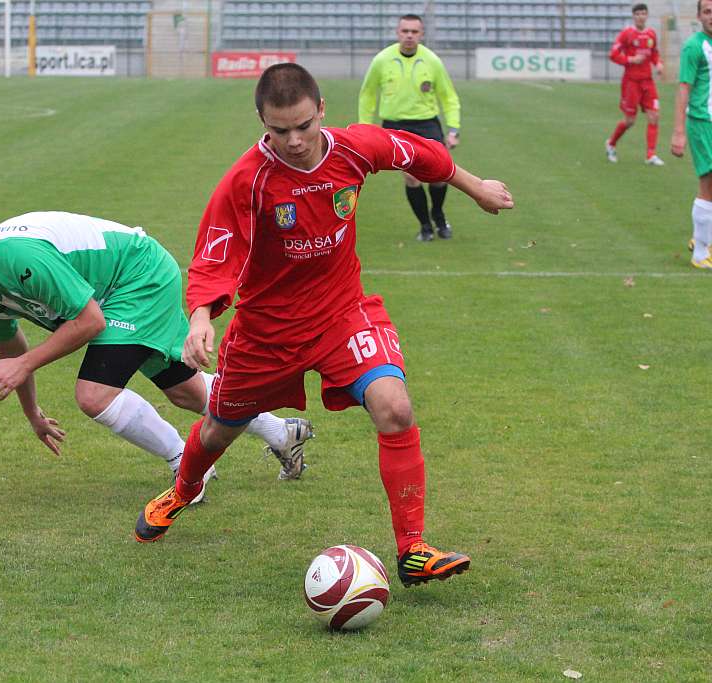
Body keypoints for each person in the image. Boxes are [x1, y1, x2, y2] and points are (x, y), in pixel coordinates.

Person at [134, 64, 514, 588]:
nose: (293, 141)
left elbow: (418, 152)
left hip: (342, 311)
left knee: (395, 407)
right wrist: (200, 317)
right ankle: (182, 489)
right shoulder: (248, 180)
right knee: (222, 428)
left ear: (322, 111)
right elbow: (214, 255)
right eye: (278, 130)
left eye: (304, 126)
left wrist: (475, 187)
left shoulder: (354, 148)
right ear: (263, 123)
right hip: (267, 331)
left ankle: (414, 549)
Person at [0, 211, 315, 498]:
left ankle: (189, 468)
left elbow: (89, 322)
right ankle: (283, 433)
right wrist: (33, 414)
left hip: (137, 277)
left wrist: (24, 365)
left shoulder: (15, 257)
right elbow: (12, 348)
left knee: (93, 394)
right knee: (185, 393)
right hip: (117, 295)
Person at [358, 14, 461, 242]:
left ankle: (438, 214)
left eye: (414, 32)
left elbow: (448, 96)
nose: (409, 36)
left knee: (439, 176)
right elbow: (367, 94)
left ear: (421, 35)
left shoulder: (432, 61)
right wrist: (365, 129)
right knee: (412, 178)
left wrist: (453, 129)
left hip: (427, 124)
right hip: (395, 127)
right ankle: (425, 226)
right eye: (405, 31)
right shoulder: (382, 60)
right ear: (398, 33)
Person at [671, 0, 712, 269]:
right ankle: (700, 253)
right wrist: (678, 132)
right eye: (708, 11)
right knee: (708, 185)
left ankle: (702, 238)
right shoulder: (694, 46)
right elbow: (684, 88)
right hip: (703, 122)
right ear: (698, 16)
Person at [606, 3, 665, 165]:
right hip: (631, 82)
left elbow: (654, 53)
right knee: (630, 121)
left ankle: (650, 155)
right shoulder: (627, 34)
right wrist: (630, 59)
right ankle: (611, 144)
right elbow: (613, 54)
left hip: (648, 82)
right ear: (634, 16)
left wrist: (658, 63)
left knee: (654, 116)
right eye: (638, 13)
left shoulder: (651, 34)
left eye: (643, 13)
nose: (640, 16)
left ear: (647, 16)